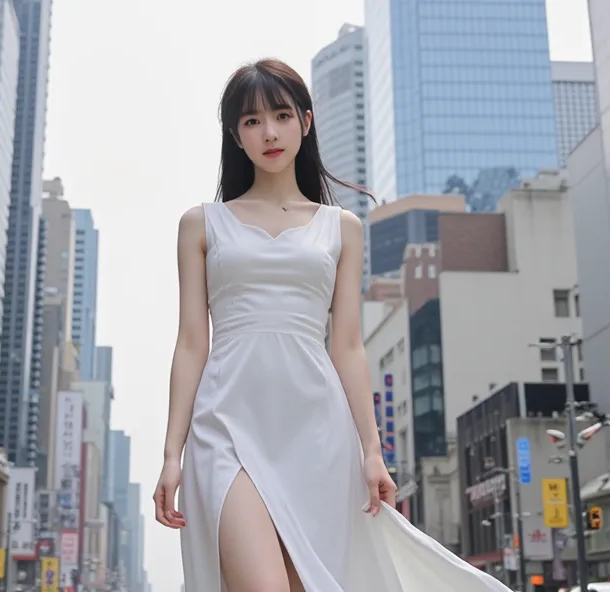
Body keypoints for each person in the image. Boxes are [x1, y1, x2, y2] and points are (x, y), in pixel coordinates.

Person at [153, 58, 511, 592]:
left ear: (306, 120)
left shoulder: (341, 228)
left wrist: (372, 451)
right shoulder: (201, 224)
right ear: (235, 135)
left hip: (316, 434)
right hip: (224, 426)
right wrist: (170, 455)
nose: (269, 132)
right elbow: (189, 344)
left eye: (281, 115)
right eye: (252, 122)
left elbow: (347, 346)